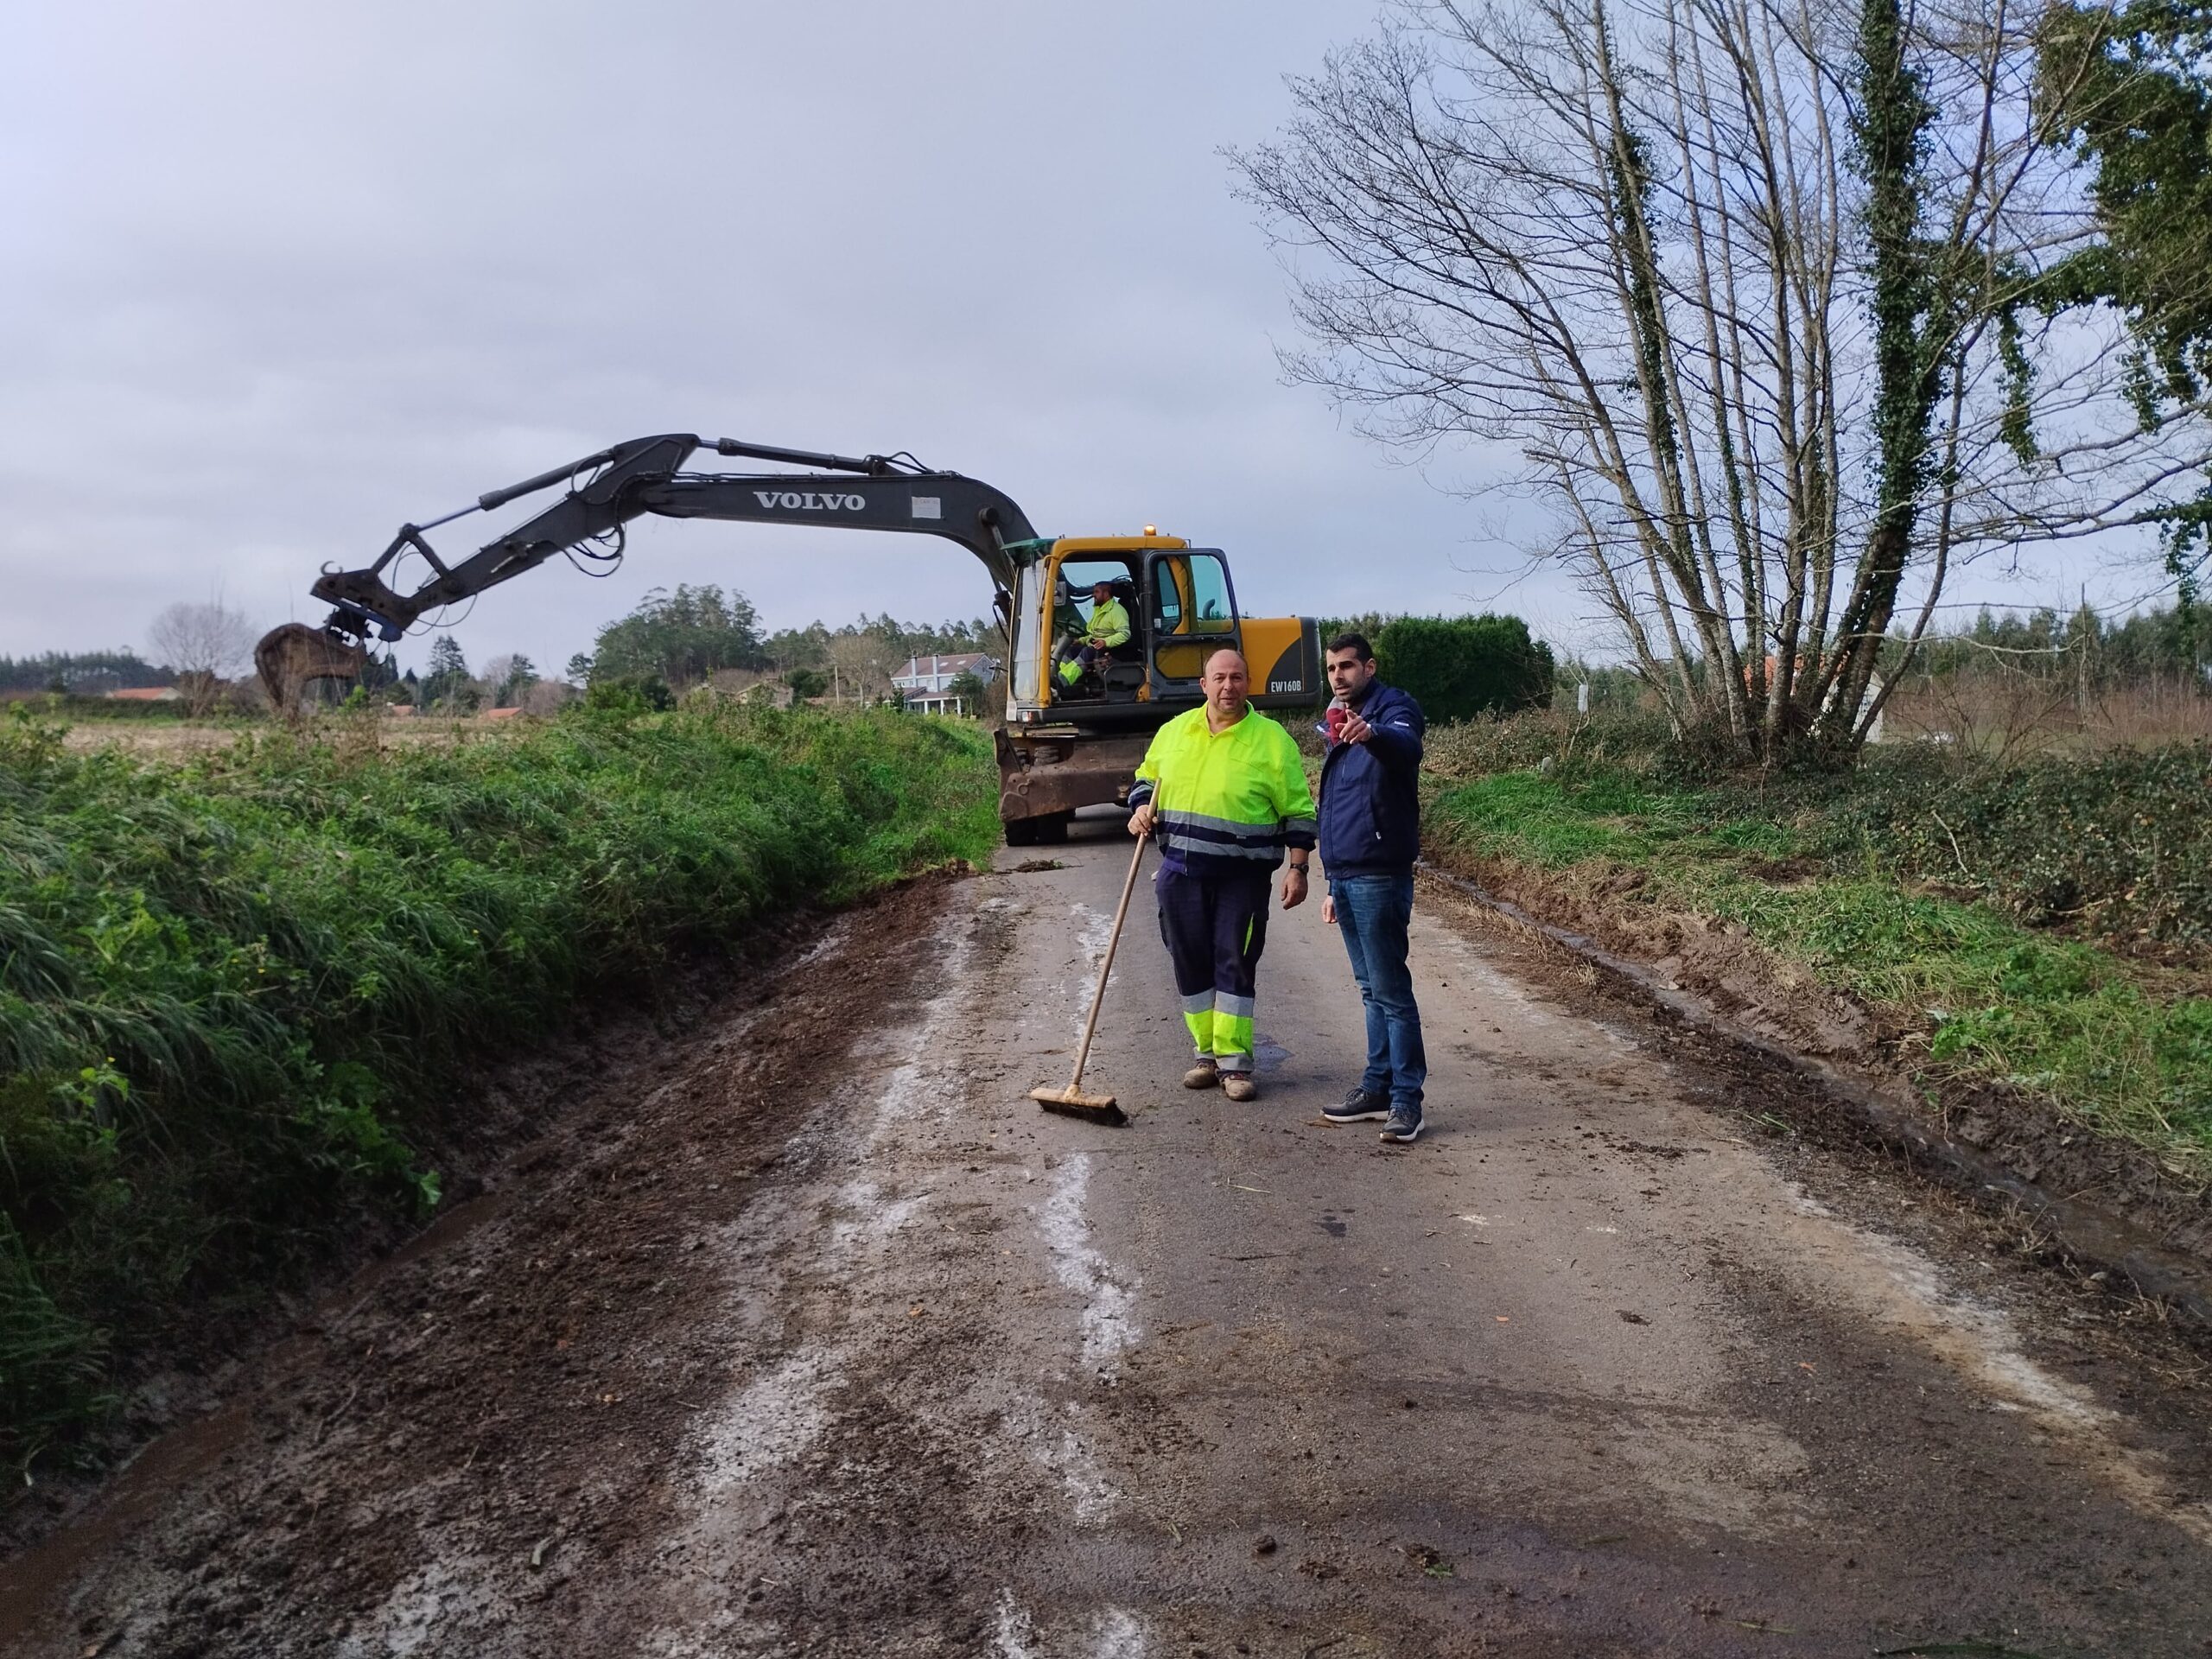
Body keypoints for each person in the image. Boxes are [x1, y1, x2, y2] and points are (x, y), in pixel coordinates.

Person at [1126, 649, 1316, 1102]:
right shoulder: (1175, 732)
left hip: (1241, 876)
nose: (1227, 686)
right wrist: (1139, 808)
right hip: (1180, 871)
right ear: (1203, 684)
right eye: (1219, 678)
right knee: (1188, 958)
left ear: (1247, 683)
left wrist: (1298, 868)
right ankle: (1205, 1055)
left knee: (1234, 958)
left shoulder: (1272, 741)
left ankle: (1235, 1065)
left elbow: (1299, 811)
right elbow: (1145, 779)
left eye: (1236, 678)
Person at [1314, 632, 1429, 1144]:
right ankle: (1377, 1086)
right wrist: (1330, 878)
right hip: (1347, 871)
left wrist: (1372, 734)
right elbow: (1340, 801)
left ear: (1370, 667)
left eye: (1347, 666)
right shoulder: (1336, 717)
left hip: (1380, 871)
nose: (1338, 675)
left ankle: (1407, 1101)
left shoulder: (1394, 709)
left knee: (1391, 992)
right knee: (1369, 990)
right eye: (1332, 668)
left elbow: (1406, 749)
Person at [1058, 579, 1132, 690]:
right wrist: (1081, 640)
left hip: (1110, 649)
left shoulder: (1117, 611)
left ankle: (1063, 681)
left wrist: (1105, 642)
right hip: (1096, 645)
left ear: (1106, 594)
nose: (1093, 595)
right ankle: (1059, 675)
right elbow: (1093, 635)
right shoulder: (1099, 610)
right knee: (1070, 650)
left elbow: (1125, 634)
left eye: (1097, 592)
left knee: (1087, 652)